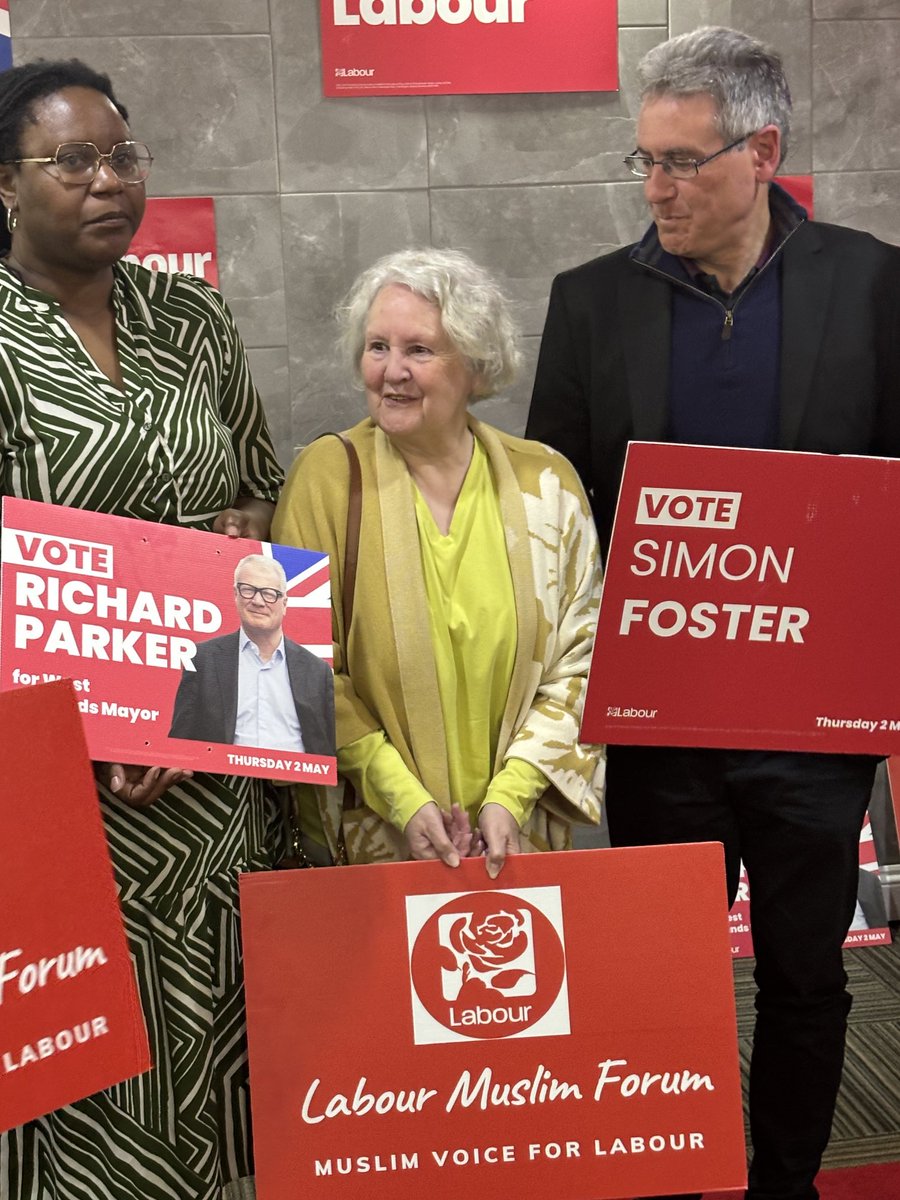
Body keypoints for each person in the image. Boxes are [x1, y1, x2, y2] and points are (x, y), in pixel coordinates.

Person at [527, 25, 900, 1200]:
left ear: (764, 150)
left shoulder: (875, 281)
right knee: (661, 980)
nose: (657, 189)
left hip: (812, 729)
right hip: (657, 724)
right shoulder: (590, 302)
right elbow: (556, 503)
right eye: (643, 161)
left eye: (683, 162)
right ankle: (678, 1178)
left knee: (806, 978)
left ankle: (786, 1183)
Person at [0, 60, 285, 1200]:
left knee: (225, 1045)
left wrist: (197, 661)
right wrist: (121, 701)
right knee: (84, 1064)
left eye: (123, 156)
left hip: (215, 758)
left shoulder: (193, 314)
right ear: (6, 187)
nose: (107, 181)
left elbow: (256, 493)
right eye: (72, 161)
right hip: (60, 784)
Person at [273, 248, 604, 877]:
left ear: (476, 368)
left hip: (517, 836)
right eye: (377, 347)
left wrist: (509, 799)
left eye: (419, 351)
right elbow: (297, 662)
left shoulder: (548, 482)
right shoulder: (325, 477)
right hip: (372, 837)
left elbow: (584, 661)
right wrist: (402, 798)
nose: (392, 371)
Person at [169, 553, 335, 755]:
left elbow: (326, 748)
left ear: (284, 603)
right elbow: (179, 741)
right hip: (224, 779)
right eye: (248, 590)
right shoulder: (203, 659)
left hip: (294, 783)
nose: (258, 601)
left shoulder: (318, 671)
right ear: (235, 594)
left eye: (269, 593)